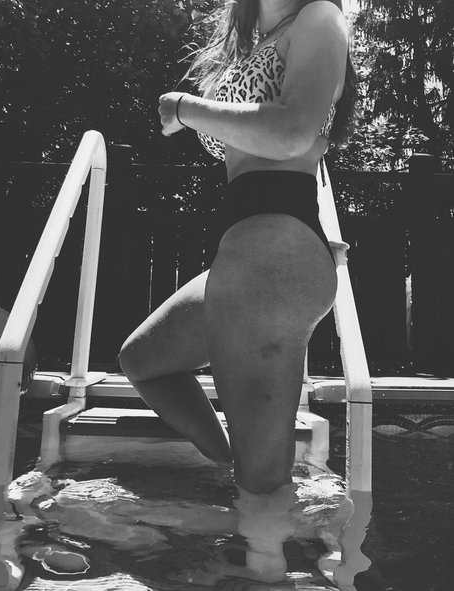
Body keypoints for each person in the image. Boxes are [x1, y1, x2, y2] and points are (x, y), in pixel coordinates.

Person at [119, 0, 357, 497]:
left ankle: (265, 515)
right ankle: (233, 461)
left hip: (274, 253)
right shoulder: (255, 44)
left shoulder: (318, 17)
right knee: (144, 360)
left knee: (262, 486)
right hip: (246, 253)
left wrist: (186, 109)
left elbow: (293, 132)